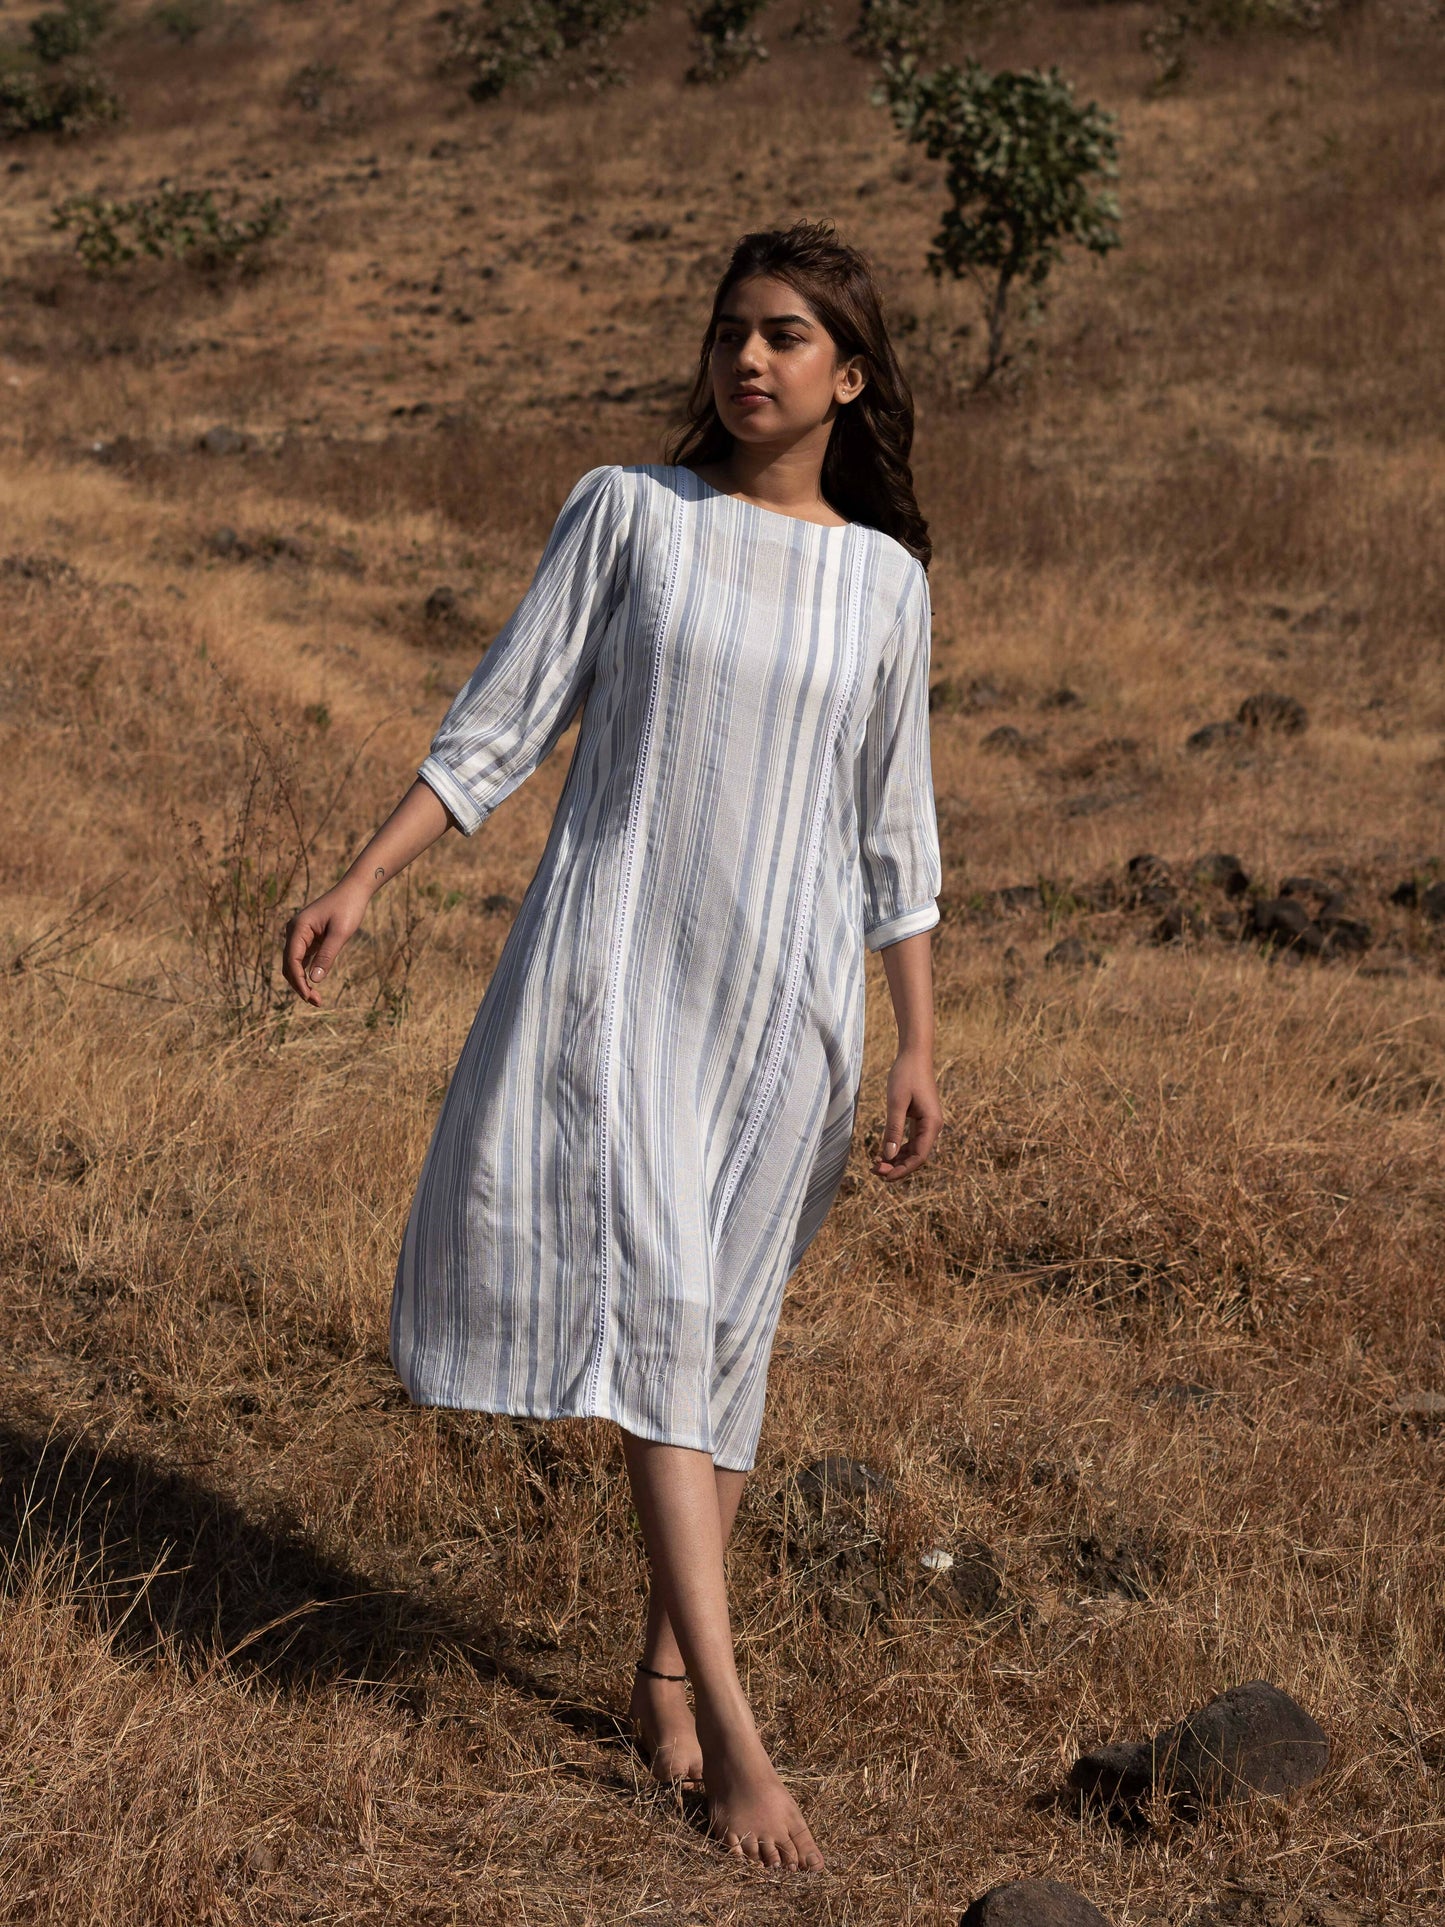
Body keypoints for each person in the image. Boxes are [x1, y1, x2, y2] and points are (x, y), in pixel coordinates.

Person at [282, 218, 944, 1874]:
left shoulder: (884, 583)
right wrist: (365, 877)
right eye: (731, 329)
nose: (748, 357)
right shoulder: (629, 512)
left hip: (792, 1012)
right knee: (658, 1307)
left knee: (723, 1338)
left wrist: (915, 1041)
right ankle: (734, 1734)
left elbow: (894, 831)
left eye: (785, 335)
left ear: (847, 380)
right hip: (625, 974)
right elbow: (503, 722)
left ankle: (657, 1674)